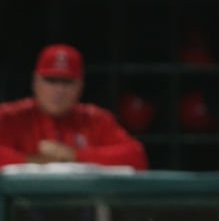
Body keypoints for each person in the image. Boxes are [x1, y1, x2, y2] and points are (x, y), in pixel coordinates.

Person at [0, 44, 147, 169]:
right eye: (51, 81)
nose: (59, 90)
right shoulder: (11, 116)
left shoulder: (96, 119)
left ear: (80, 86)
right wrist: (33, 162)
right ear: (35, 82)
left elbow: (136, 156)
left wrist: (74, 156)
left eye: (67, 82)